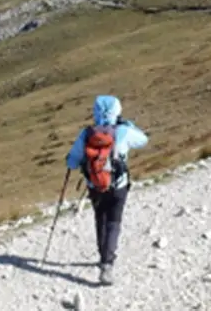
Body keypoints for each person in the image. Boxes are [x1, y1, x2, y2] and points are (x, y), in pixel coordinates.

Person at [65, 95, 149, 286]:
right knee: (114, 221)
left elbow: (72, 161)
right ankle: (107, 264)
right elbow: (144, 140)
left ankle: (102, 256)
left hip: (95, 186)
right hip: (118, 185)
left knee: (100, 218)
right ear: (117, 111)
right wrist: (129, 125)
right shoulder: (123, 131)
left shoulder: (86, 134)